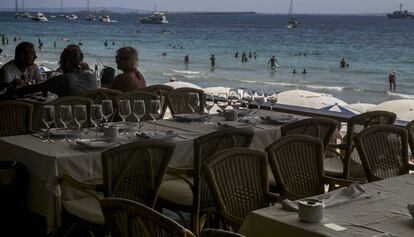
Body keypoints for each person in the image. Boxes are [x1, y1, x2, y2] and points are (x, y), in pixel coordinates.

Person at [9, 45, 97, 97]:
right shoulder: (92, 76)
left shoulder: (63, 79)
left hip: (64, 120)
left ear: (66, 62)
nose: (61, 67)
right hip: (89, 119)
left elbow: (33, 89)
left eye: (61, 63)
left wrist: (11, 90)